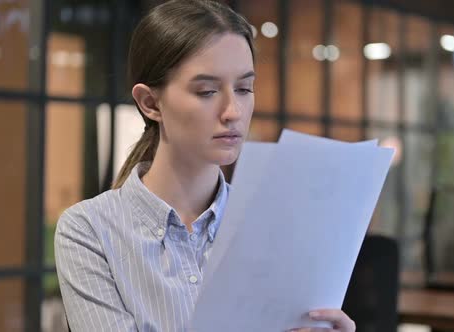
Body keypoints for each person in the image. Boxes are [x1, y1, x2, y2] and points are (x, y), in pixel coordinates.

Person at [54, 1, 356, 331]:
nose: (233, 112)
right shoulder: (90, 231)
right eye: (207, 91)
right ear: (150, 103)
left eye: (244, 88)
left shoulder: (276, 229)